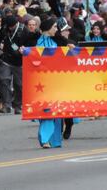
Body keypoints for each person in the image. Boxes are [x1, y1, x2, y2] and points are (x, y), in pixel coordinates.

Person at [36, 17, 64, 148]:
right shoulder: (40, 43)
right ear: (48, 28)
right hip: (44, 81)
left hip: (55, 80)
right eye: (54, 27)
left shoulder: (54, 43)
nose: (56, 29)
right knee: (47, 110)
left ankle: (55, 140)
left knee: (56, 110)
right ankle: (45, 139)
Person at [0, 16, 25, 115]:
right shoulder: (4, 29)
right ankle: (6, 105)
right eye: (9, 26)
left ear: (16, 24)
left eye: (12, 26)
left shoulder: (23, 30)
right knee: (4, 81)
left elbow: (28, 43)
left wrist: (23, 49)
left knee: (19, 85)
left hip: (19, 62)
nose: (10, 28)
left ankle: (18, 105)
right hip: (6, 59)